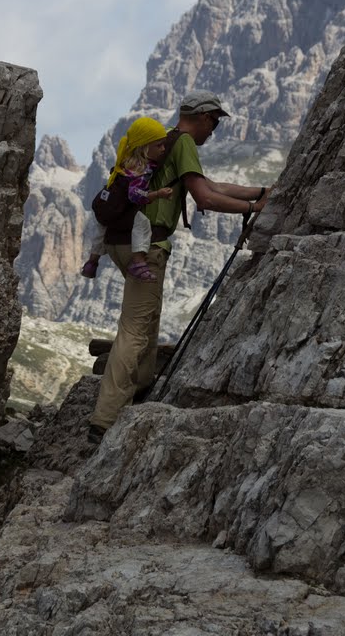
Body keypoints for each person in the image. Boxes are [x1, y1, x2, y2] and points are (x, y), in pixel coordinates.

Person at [88, 89, 270, 443]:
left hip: (119, 242)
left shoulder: (163, 142)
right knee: (135, 329)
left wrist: (259, 191)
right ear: (202, 116)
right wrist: (252, 210)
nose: (214, 130)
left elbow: (209, 185)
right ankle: (104, 419)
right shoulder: (184, 142)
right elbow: (204, 197)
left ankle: (139, 387)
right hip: (147, 245)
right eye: (214, 121)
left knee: (147, 316)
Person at [81, 117, 174, 283]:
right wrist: (157, 194)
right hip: (122, 210)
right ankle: (138, 262)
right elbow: (135, 196)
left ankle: (92, 261)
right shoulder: (140, 171)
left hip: (105, 206)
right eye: (158, 145)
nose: (163, 149)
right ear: (144, 148)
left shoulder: (124, 164)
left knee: (100, 229)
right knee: (142, 224)